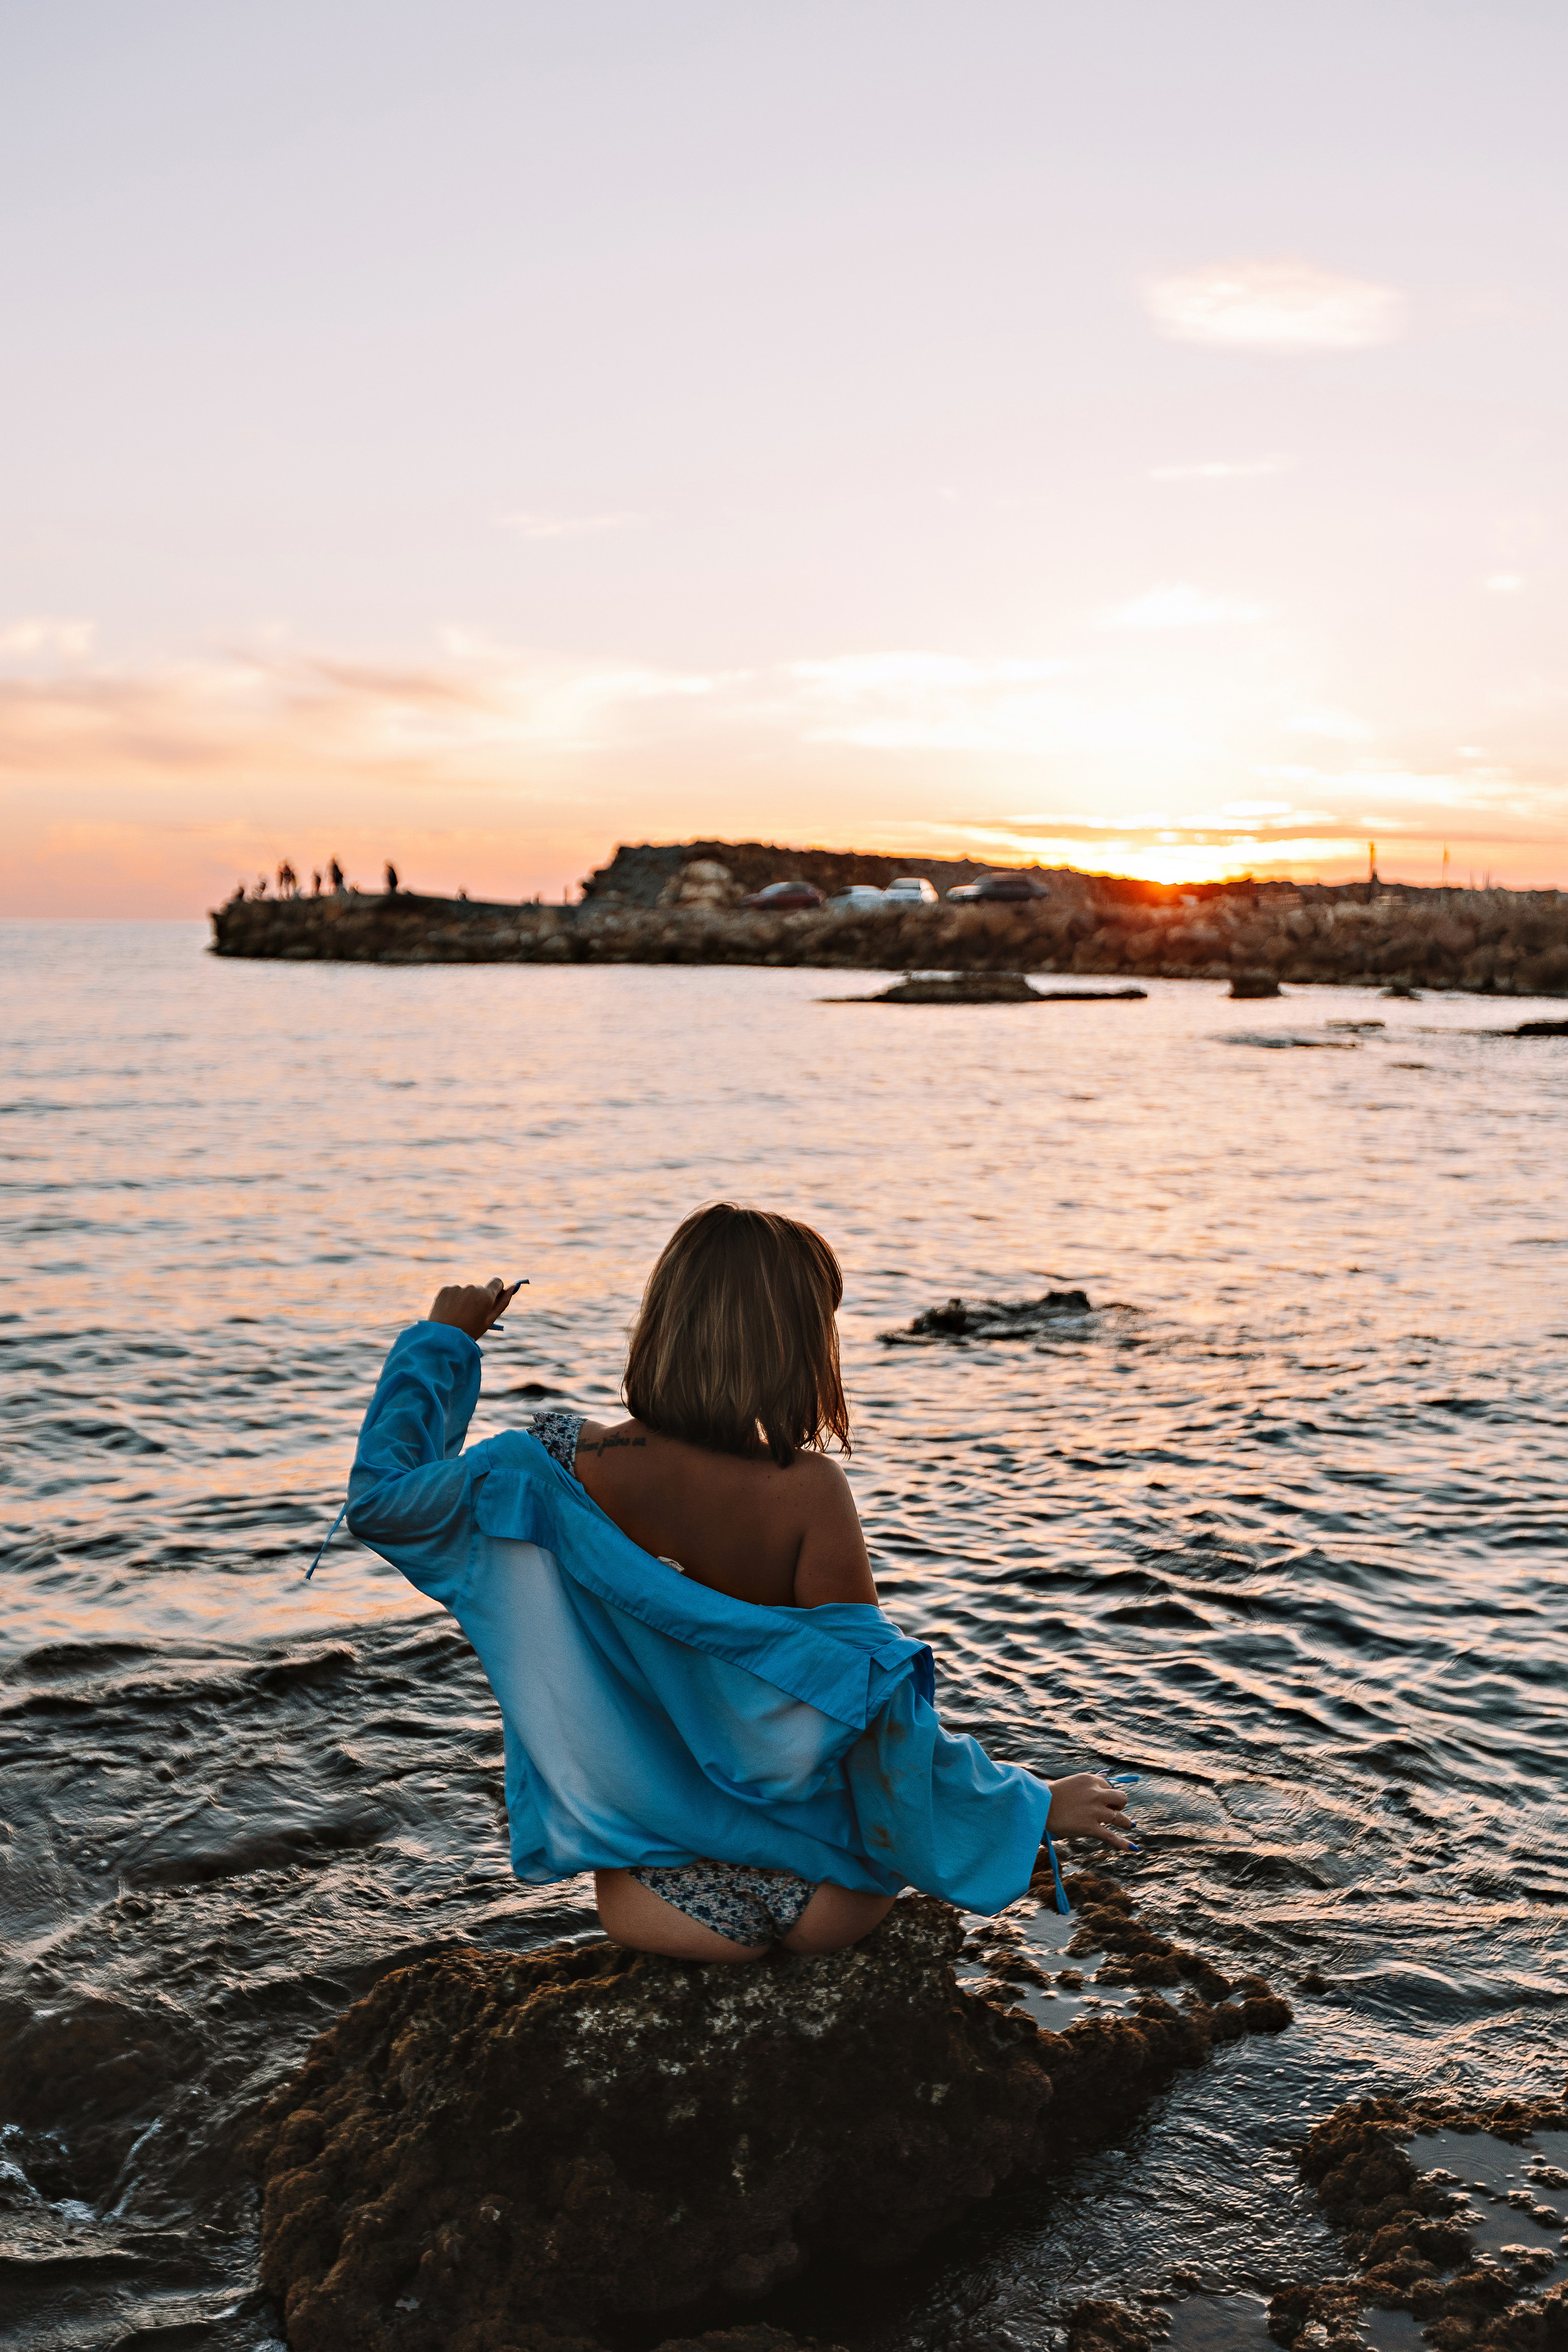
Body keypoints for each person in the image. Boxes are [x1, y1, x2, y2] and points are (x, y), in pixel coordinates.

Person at [344, 1205, 1133, 1964]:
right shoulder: (809, 1492)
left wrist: (444, 1342)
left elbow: (385, 1502)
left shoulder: (545, 1469)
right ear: (799, 1349)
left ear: (662, 1323)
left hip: (662, 1894)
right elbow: (870, 1708)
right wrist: (1030, 1806)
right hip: (828, 1891)